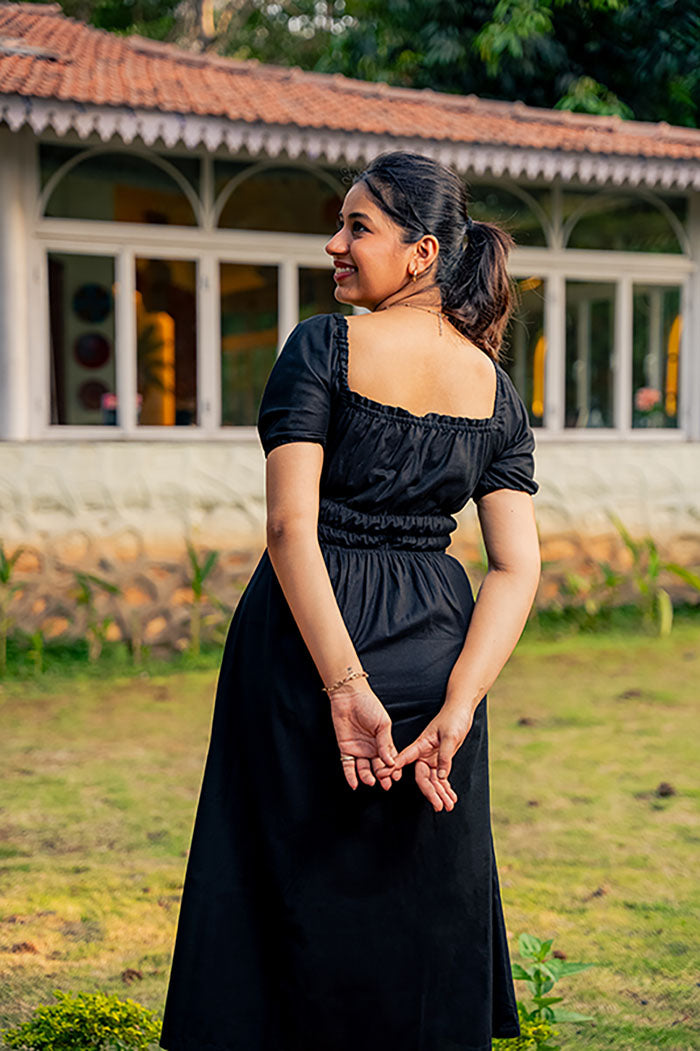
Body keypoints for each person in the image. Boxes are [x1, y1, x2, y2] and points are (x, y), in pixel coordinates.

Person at [159, 150, 541, 1051]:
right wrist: (459, 705)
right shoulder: (497, 389)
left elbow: (292, 531)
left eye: (356, 227)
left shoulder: (321, 348)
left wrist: (342, 685)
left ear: (421, 252)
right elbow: (516, 566)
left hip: (306, 646)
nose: (333, 243)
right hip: (437, 648)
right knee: (421, 902)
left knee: (278, 891)